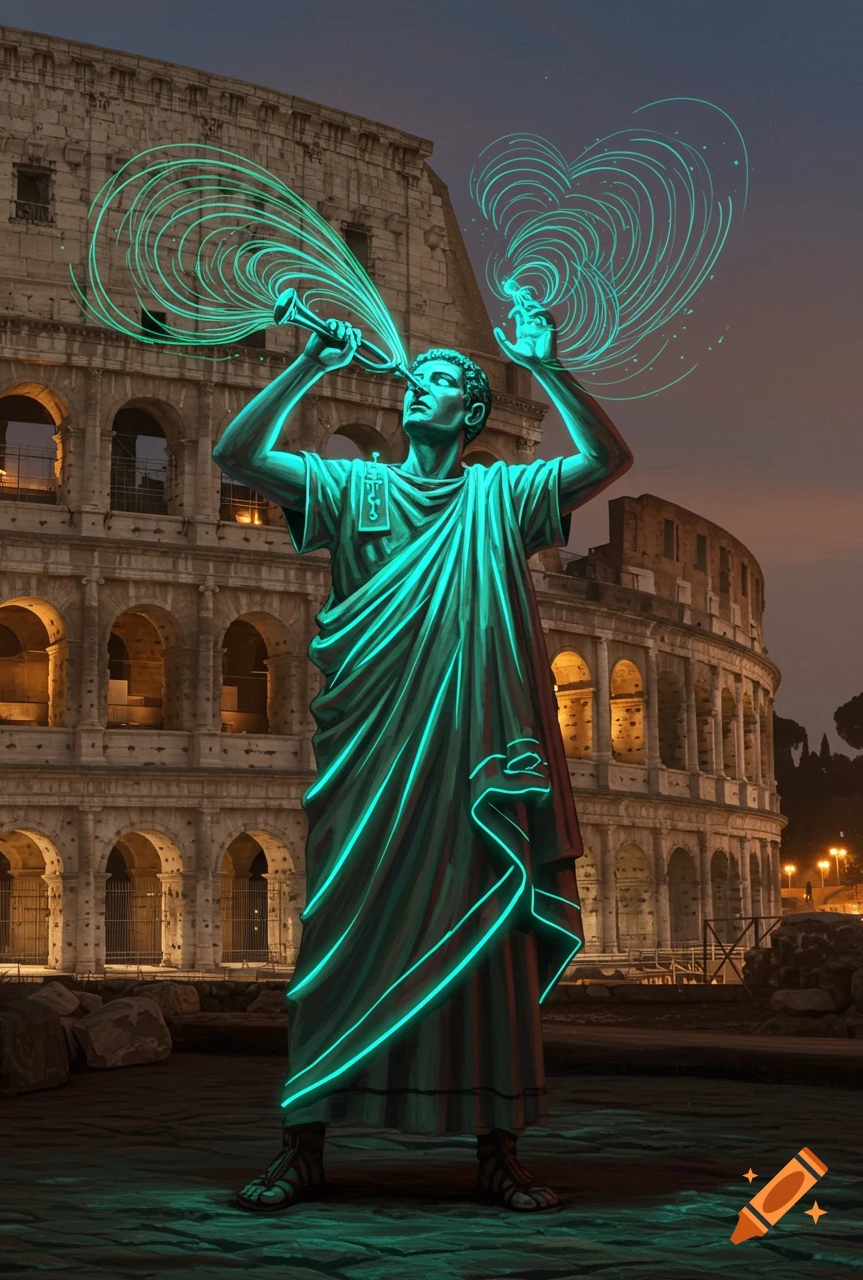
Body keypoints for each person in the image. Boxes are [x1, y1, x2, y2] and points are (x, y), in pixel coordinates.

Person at [213, 293, 633, 1213]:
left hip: (473, 748)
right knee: (340, 937)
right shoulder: (352, 487)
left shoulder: (501, 496)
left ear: (472, 415)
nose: (416, 389)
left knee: (485, 940)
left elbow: (607, 460)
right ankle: (304, 1143)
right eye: (415, 379)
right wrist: (306, 366)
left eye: (442, 381)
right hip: (370, 747)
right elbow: (236, 457)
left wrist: (548, 365)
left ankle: (497, 1150)